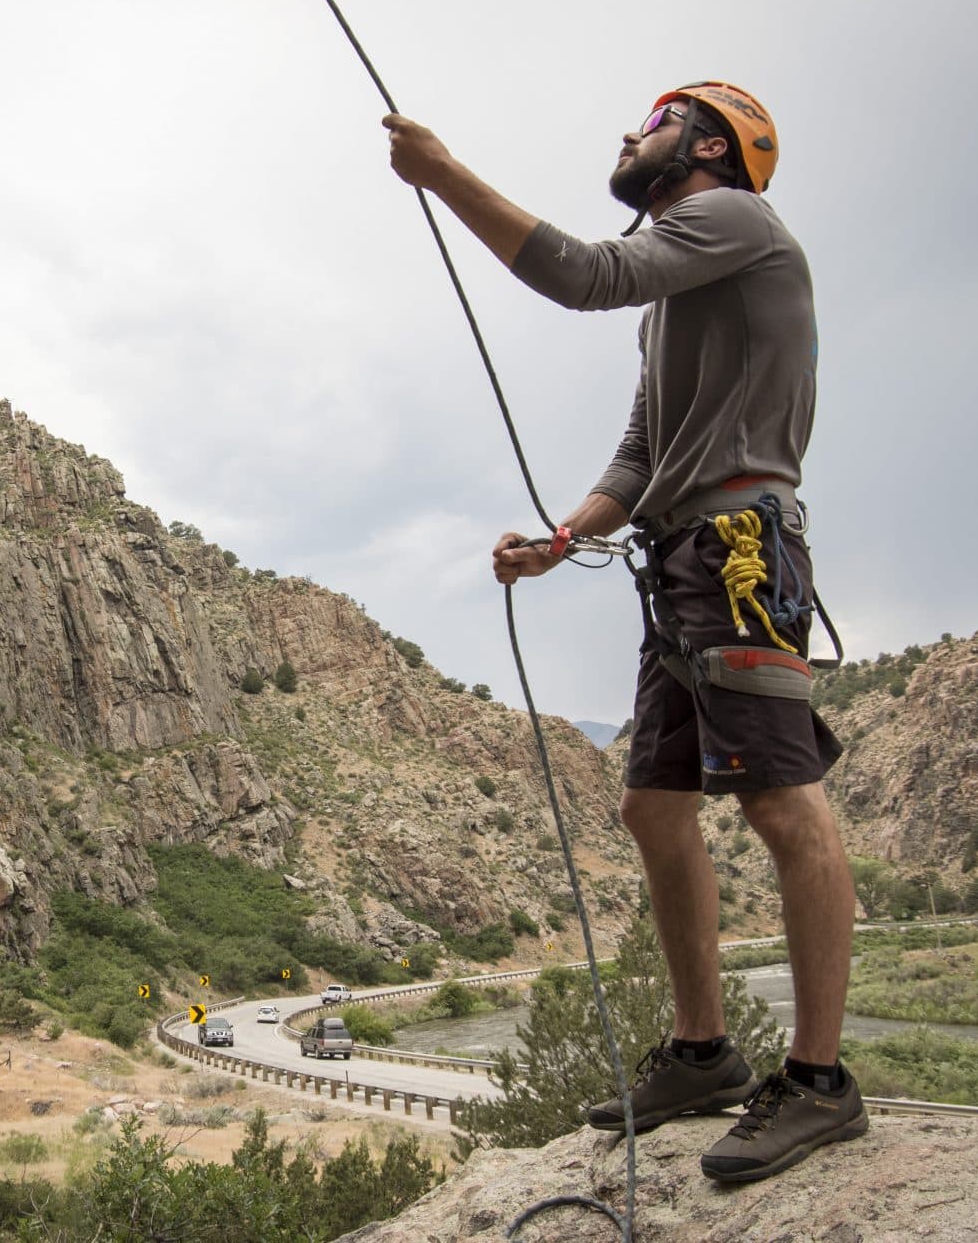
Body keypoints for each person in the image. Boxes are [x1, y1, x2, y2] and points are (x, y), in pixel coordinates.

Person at [385, 82, 865, 1183]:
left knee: (782, 801)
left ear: (707, 147)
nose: (625, 136)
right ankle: (703, 1053)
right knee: (654, 805)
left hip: (742, 551)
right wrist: (563, 540)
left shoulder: (737, 221)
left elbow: (580, 274)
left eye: (651, 122)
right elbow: (642, 455)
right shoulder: (677, 294)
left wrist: (444, 172)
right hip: (687, 561)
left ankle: (822, 1082)